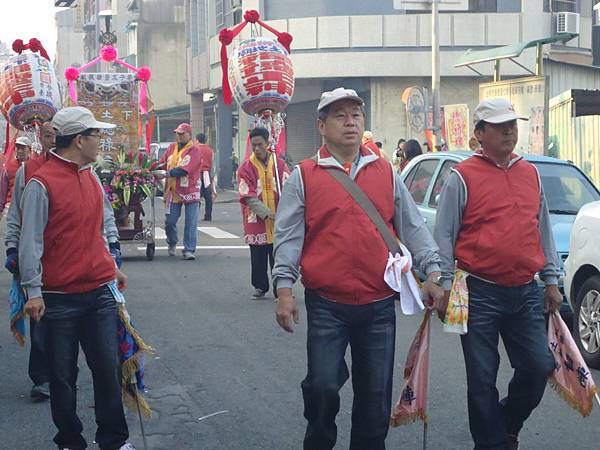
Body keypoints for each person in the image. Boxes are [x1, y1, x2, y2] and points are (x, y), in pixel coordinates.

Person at [273, 87, 444, 450]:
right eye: (340, 115)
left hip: (379, 305)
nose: (350, 122)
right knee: (321, 388)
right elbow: (287, 238)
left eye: (356, 114)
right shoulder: (303, 176)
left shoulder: (385, 172)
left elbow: (413, 227)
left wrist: (433, 274)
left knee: (375, 397)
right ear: (321, 125)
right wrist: (284, 290)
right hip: (326, 305)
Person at [433, 97, 561, 450]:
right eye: (500, 126)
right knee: (481, 377)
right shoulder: (462, 176)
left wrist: (551, 280)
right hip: (477, 290)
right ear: (479, 134)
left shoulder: (529, 172)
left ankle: (506, 423)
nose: (509, 131)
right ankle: (491, 443)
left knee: (538, 366)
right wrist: (444, 285)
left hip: (525, 291)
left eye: (513, 125)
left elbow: (543, 229)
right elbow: (444, 233)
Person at [19, 107, 134, 450]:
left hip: (99, 292)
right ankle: (69, 440)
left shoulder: (92, 177)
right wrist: (33, 292)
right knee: (63, 377)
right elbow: (31, 242)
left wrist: (110, 265)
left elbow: (95, 231)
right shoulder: (41, 184)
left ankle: (113, 439)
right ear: (79, 140)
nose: (100, 140)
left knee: (108, 371)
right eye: (96, 135)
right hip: (58, 298)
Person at [5, 119, 122, 401]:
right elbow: (24, 227)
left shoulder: (90, 174)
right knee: (57, 364)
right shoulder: (34, 177)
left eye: (53, 135)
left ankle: (115, 440)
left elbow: (102, 219)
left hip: (97, 286)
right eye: (46, 135)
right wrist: (17, 257)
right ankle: (45, 385)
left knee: (108, 364)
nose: (50, 140)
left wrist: (112, 256)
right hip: (54, 286)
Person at [237, 127, 290, 299]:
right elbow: (247, 195)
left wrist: (285, 213)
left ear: (268, 144)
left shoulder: (280, 165)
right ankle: (260, 286)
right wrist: (267, 213)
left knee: (278, 257)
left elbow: (289, 189)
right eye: (254, 146)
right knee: (258, 258)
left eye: (260, 145)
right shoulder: (245, 168)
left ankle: (279, 290)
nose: (257, 149)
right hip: (256, 219)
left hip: (279, 220)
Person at [159, 123, 203, 260]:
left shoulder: (195, 150)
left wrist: (166, 173)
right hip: (173, 190)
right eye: (177, 133)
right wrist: (151, 168)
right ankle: (172, 242)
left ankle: (189, 249)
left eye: (182, 134)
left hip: (190, 189)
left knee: (191, 222)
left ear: (189, 135)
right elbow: (162, 162)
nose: (179, 136)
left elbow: (185, 169)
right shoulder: (172, 147)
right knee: (170, 221)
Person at [0, 135, 32, 214]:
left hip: (28, 207)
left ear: (30, 150)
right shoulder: (8, 167)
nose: (20, 151)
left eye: (23, 148)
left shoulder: (34, 166)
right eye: (18, 148)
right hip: (10, 206)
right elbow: (2, 191)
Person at [196, 132, 215, 221]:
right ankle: (208, 215)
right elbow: (212, 162)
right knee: (208, 197)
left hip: (197, 174)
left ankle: (194, 214)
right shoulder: (210, 150)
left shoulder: (195, 149)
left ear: (197, 140)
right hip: (207, 174)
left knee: (196, 195)